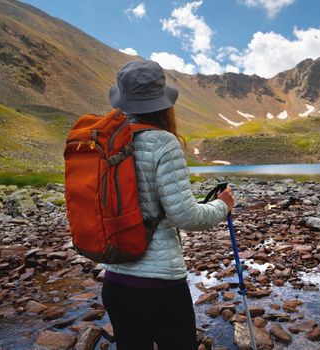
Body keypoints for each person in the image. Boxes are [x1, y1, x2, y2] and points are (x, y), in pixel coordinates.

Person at [101, 59, 234, 350]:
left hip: (115, 280)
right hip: (159, 285)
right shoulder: (163, 142)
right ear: (162, 104)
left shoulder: (108, 141)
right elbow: (184, 216)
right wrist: (222, 206)